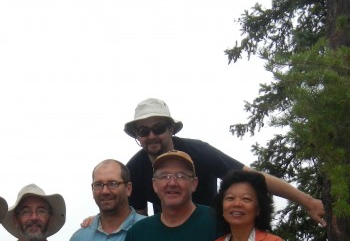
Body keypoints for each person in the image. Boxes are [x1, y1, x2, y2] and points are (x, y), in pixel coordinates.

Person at [123, 97, 325, 226]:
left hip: (213, 231)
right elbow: (138, 221)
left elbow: (252, 178)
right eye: (143, 131)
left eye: (158, 128)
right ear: (137, 135)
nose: (151, 136)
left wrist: (307, 202)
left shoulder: (199, 152)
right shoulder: (134, 170)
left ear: (171, 129)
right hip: (170, 235)